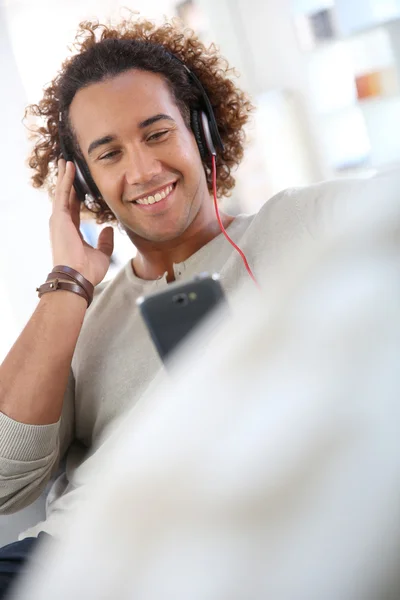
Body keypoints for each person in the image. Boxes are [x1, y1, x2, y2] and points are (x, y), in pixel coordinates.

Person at [0, 12, 398, 599]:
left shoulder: (310, 221)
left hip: (245, 553)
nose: (142, 170)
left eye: (157, 133)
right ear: (83, 181)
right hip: (81, 556)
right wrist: (68, 283)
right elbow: (7, 480)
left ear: (201, 132)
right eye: (108, 154)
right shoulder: (75, 318)